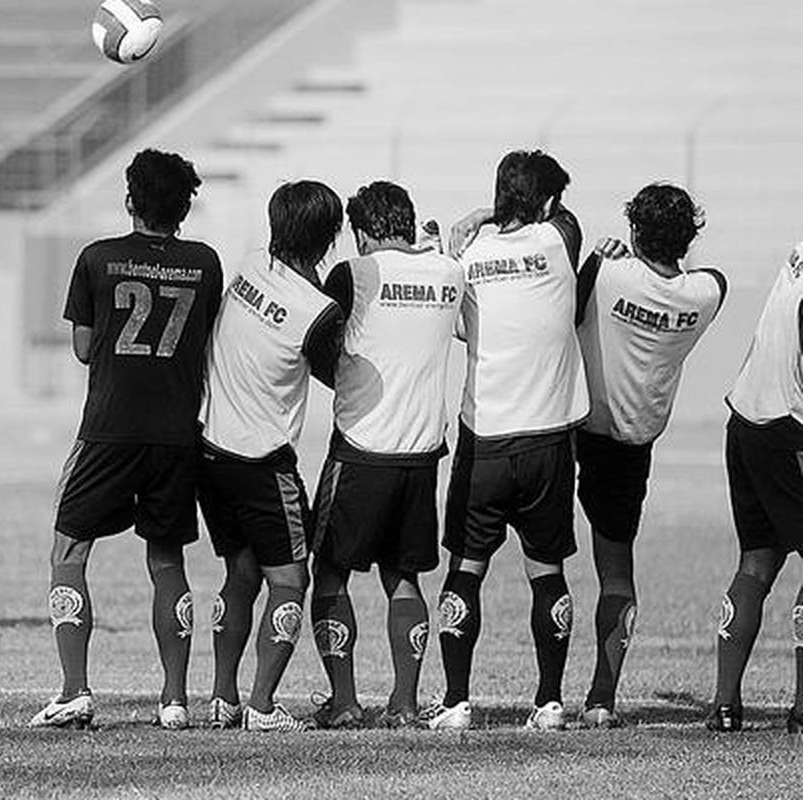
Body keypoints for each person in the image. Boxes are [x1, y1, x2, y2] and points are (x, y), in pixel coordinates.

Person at [29, 149, 223, 730]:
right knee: (167, 560)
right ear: (185, 204)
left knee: (69, 553)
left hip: (110, 430)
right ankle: (174, 701)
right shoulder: (206, 263)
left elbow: (86, 348)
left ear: (131, 199)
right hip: (175, 433)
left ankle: (74, 691)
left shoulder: (98, 259)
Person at [427, 150, 587, 731]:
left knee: (466, 569)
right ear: (547, 203)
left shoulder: (470, 257)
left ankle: (456, 701)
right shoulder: (558, 242)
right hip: (548, 442)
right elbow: (564, 223)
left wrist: (470, 228)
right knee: (546, 572)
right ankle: (548, 701)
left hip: (486, 440)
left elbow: (461, 326)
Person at [307, 182, 463, 729]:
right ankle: (404, 702)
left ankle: (345, 702)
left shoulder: (354, 274)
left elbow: (316, 346)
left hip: (360, 447)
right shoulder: (449, 271)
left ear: (363, 231)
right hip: (421, 452)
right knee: (404, 579)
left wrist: (344, 380)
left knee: (329, 575)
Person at [574, 184, 725, 727]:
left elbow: (568, 309)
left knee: (537, 561)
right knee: (616, 572)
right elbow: (718, 280)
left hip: (574, 425)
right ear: (689, 238)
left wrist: (599, 254)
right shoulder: (702, 294)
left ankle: (543, 695)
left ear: (635, 230)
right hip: (633, 443)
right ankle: (600, 699)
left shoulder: (610, 273)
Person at [198, 180, 344, 732]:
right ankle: (261, 706)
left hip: (209, 449)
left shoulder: (249, 265)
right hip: (263, 462)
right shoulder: (318, 311)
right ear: (329, 237)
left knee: (240, 572)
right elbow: (336, 374)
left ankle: (222, 697)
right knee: (290, 581)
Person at [709, 240, 803, 735]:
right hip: (788, 428)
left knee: (757, 562)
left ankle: (725, 707)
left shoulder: (796, 252)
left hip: (745, 419)